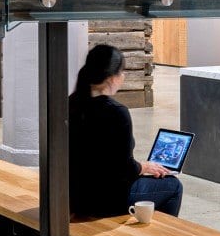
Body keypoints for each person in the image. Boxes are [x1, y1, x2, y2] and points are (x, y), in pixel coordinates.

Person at [69, 44, 182, 218]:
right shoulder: (116, 112)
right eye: (122, 72)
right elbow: (123, 169)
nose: (123, 76)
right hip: (105, 201)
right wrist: (144, 166)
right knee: (173, 186)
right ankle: (157, 233)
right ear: (111, 78)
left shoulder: (71, 102)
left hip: (74, 195)